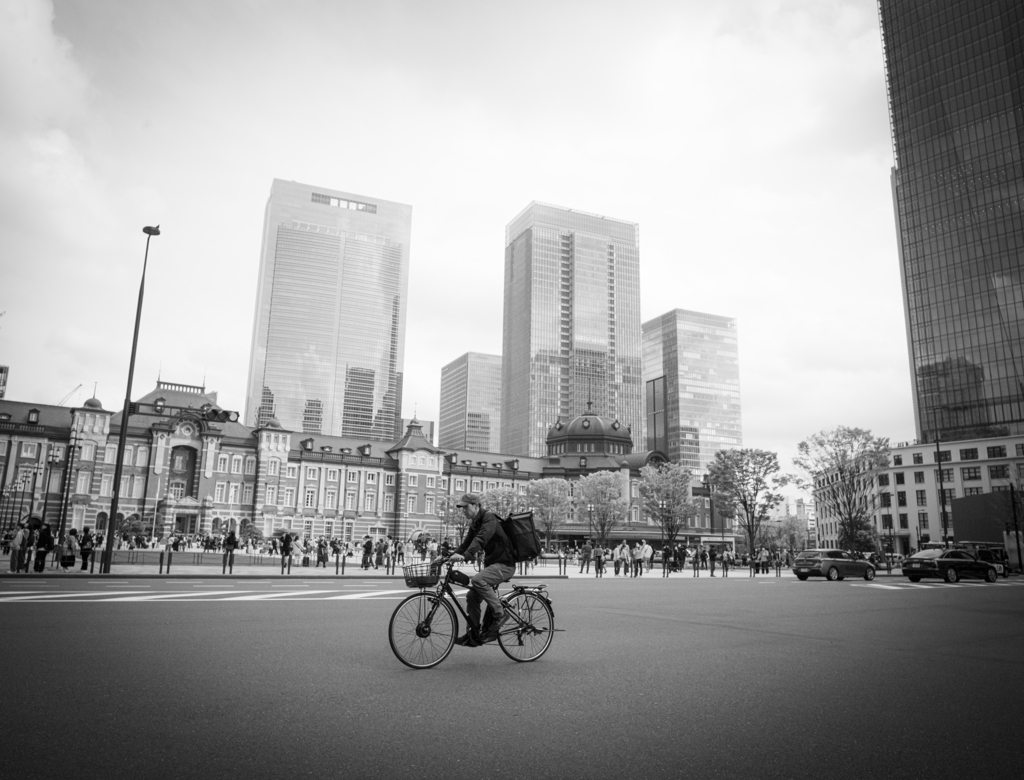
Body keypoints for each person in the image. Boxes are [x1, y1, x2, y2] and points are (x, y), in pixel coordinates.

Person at [448, 494, 515, 647]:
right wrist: (448, 556)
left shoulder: (489, 518)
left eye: (466, 507)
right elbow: (466, 544)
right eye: (462, 508)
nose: (463, 510)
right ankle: (473, 634)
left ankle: (500, 613)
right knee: (472, 596)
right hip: (493, 565)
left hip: (505, 565)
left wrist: (465, 556)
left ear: (476, 505)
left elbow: (481, 539)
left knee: (478, 580)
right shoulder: (475, 523)